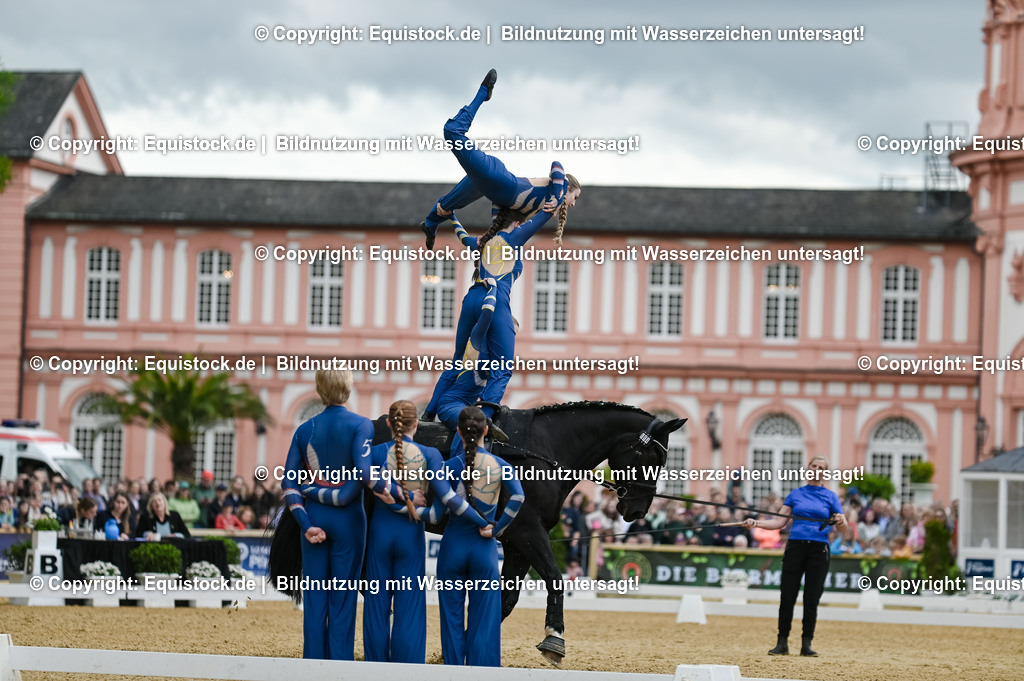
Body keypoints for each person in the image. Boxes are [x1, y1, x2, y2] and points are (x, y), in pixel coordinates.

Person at [282, 369, 379, 661]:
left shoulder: (304, 430)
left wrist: (306, 522)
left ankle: (312, 665)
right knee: (343, 598)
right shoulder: (362, 425)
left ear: (319, 390)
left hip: (313, 519)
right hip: (349, 520)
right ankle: (339, 666)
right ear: (348, 389)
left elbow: (289, 484)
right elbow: (362, 475)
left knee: (315, 599)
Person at [420, 69, 576, 250]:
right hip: (495, 176)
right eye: (575, 196)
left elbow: (501, 208)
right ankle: (483, 93)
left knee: (446, 205)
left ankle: (430, 224)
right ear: (569, 188)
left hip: (488, 186)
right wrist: (558, 197)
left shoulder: (539, 208)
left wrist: (491, 234)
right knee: (452, 131)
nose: (573, 203)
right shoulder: (560, 187)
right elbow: (557, 166)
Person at [435, 406, 525, 666]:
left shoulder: (447, 467)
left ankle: (452, 670)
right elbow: (518, 497)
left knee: (451, 618)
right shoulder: (501, 465)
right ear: (487, 430)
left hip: (453, 547)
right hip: (484, 548)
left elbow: (441, 507)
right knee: (484, 619)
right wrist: (496, 527)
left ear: (458, 432)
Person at [744, 455, 846, 657]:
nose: (816, 470)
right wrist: (756, 523)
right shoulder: (796, 494)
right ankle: (782, 642)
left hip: (819, 549)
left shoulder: (831, 497)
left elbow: (844, 530)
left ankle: (806, 643)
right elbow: (779, 522)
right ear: (808, 468)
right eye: (813, 466)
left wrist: (841, 521)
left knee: (811, 597)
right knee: (787, 595)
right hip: (796, 547)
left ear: (825, 472)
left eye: (821, 467)